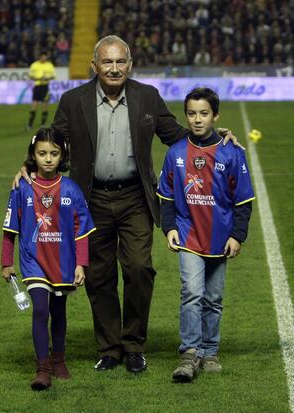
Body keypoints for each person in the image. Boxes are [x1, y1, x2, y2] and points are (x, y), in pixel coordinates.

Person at [15, 35, 238, 374]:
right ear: (95, 66)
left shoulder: (147, 96)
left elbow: (176, 134)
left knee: (138, 268)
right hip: (91, 201)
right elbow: (52, 140)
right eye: (107, 62)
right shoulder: (73, 101)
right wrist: (29, 166)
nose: (114, 68)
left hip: (136, 196)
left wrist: (215, 140)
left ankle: (134, 345)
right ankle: (109, 349)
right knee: (99, 275)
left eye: (121, 62)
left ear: (130, 65)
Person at [157, 87, 255, 383]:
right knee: (192, 293)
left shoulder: (232, 152)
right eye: (191, 113)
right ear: (185, 115)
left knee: (213, 298)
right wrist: (169, 227)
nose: (197, 120)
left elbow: (243, 200)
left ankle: (210, 351)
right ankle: (189, 353)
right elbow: (166, 196)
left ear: (215, 116)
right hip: (188, 236)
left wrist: (237, 235)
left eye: (203, 114)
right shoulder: (175, 152)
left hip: (220, 238)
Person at [1, 128, 95, 390]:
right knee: (40, 309)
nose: (48, 159)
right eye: (42, 153)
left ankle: (59, 360)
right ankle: (42, 369)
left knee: (58, 311)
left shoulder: (71, 189)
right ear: (33, 154)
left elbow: (82, 230)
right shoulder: (21, 189)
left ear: (62, 155)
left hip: (63, 263)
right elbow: (10, 229)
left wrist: (81, 263)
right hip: (33, 262)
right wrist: (6, 262)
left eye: (54, 153)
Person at [26, 51, 56, 131]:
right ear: (39, 57)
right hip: (37, 87)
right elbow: (30, 75)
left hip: (45, 87)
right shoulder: (34, 65)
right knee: (33, 105)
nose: (44, 58)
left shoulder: (49, 65)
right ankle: (29, 125)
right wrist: (38, 78)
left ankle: (43, 124)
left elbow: (53, 76)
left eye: (45, 57)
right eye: (42, 56)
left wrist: (47, 78)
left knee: (44, 106)